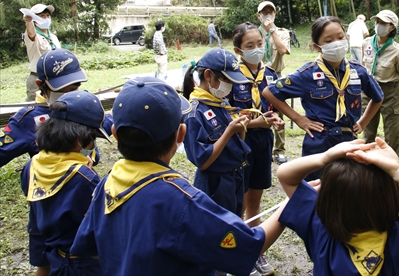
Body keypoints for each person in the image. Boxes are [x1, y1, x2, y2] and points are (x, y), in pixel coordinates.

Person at [70, 77, 287, 276]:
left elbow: (87, 247)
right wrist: (291, 203)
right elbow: (249, 245)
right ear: (181, 135)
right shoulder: (182, 200)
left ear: (115, 133)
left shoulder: (106, 183)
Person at [276, 137, 399, 276]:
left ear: (326, 201)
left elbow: (285, 174)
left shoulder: (320, 230)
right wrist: (397, 171)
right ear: (389, 198)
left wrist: (325, 157)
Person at [263, 16, 383, 181]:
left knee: (346, 188)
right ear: (317, 47)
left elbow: (378, 98)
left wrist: (362, 123)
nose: (337, 43)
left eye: (340, 37)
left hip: (349, 140)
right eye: (328, 40)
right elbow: (269, 92)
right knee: (316, 190)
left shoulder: (358, 71)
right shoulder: (308, 74)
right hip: (319, 142)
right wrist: (298, 119)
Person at [20, 91, 111, 276]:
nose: (92, 145)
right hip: (84, 265)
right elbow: (100, 226)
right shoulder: (84, 178)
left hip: (54, 257)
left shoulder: (32, 165)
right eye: (92, 138)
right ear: (79, 139)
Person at [229, 22, 285, 276]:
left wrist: (276, 120)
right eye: (249, 46)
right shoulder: (229, 76)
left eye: (260, 44)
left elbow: (275, 106)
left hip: (264, 142)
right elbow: (225, 116)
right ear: (238, 50)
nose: (256, 49)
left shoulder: (271, 74)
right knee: (237, 200)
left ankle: (256, 253)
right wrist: (254, 122)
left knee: (255, 200)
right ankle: (234, 253)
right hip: (239, 142)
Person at [182, 48, 252, 218]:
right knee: (219, 233)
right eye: (226, 79)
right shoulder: (194, 114)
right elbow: (203, 162)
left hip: (234, 177)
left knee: (235, 223)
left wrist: (241, 127)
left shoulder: (220, 103)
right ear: (208, 76)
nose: (230, 85)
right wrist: (229, 131)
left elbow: (237, 144)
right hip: (215, 183)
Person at [1, 49, 100, 169]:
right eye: (60, 90)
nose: (68, 95)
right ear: (40, 84)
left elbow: (95, 145)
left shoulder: (82, 105)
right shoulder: (27, 119)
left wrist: (86, 155)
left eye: (73, 89)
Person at [361, 9, 399, 154]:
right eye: (377, 22)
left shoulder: (398, 51)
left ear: (392, 27)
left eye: (383, 23)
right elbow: (363, 66)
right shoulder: (366, 44)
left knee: (392, 134)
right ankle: (366, 168)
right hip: (368, 91)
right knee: (367, 132)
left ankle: (391, 171)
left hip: (389, 93)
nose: (378, 25)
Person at [257, 1, 290, 164]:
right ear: (259, 15)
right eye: (264, 12)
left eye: (271, 12)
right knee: (258, 110)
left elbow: (283, 50)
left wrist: (272, 32)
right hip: (257, 76)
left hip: (276, 75)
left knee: (279, 111)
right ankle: (263, 149)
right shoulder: (253, 33)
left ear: (275, 15)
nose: (268, 15)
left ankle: (280, 150)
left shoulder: (283, 33)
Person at [23, 4, 61, 101]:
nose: (46, 18)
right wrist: (29, 22)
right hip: (38, 78)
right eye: (42, 16)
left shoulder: (53, 37)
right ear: (34, 18)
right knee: (36, 108)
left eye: (48, 15)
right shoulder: (32, 35)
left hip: (54, 77)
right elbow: (31, 33)